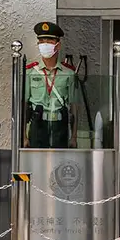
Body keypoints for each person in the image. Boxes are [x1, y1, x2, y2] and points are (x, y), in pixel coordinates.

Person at [24, 21, 77, 149]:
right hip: (38, 125)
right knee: (36, 165)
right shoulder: (30, 72)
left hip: (59, 125)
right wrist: (24, 136)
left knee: (59, 164)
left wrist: (74, 137)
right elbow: (24, 105)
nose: (44, 45)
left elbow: (74, 107)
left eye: (49, 41)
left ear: (58, 45)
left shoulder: (68, 73)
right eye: (41, 42)